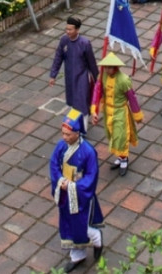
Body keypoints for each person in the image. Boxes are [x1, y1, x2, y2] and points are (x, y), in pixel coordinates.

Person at [50, 109, 104, 272]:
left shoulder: (88, 151)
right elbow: (53, 164)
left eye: (68, 134)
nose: (64, 137)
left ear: (77, 133)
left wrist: (73, 186)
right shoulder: (61, 146)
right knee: (67, 222)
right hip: (65, 192)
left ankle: (95, 237)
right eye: (63, 133)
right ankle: (77, 255)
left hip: (80, 195)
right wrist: (60, 180)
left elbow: (91, 175)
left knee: (79, 223)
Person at [90, 53, 143, 176]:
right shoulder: (102, 76)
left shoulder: (124, 80)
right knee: (112, 135)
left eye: (110, 67)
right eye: (106, 67)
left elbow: (132, 98)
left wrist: (137, 115)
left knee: (120, 136)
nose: (107, 69)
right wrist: (94, 110)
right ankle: (120, 157)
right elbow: (97, 92)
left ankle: (124, 159)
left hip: (120, 112)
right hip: (108, 111)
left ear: (116, 67)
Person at [49, 17, 99, 126]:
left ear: (77, 30)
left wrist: (97, 79)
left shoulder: (85, 43)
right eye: (66, 29)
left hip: (82, 77)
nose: (67, 32)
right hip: (70, 77)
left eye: (70, 29)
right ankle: (74, 126)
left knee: (82, 102)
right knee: (72, 102)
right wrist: (53, 75)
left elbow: (92, 62)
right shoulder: (64, 40)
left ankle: (83, 130)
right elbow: (58, 57)